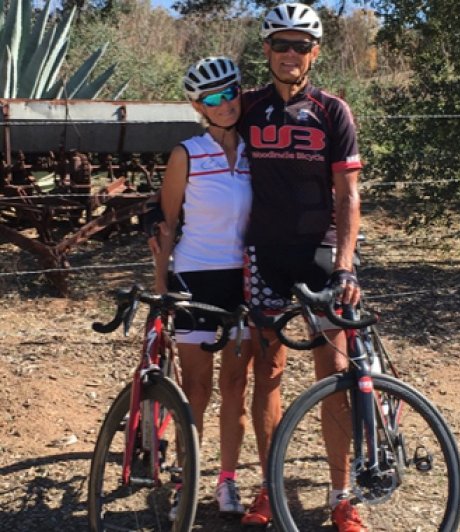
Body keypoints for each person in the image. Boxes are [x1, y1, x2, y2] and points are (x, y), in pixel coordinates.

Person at [238, 4, 365, 531]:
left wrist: (345, 266)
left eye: (300, 46)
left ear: (314, 53)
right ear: (266, 50)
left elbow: (348, 194)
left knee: (332, 374)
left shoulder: (332, 111)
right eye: (281, 44)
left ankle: (341, 495)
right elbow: (206, 152)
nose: (290, 54)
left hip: (320, 254)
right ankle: (269, 487)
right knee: (267, 372)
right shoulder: (247, 106)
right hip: (266, 255)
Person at [150, 56, 253, 520]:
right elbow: (167, 224)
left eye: (231, 92)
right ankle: (185, 479)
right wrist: (161, 289)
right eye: (213, 98)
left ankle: (227, 480)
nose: (225, 103)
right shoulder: (187, 153)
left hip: (241, 280)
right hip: (195, 278)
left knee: (236, 386)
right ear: (198, 106)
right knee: (196, 388)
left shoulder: (254, 152)